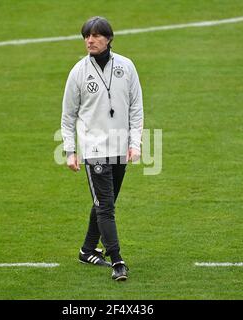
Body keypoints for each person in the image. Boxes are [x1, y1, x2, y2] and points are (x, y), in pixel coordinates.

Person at [61, 16, 143, 281]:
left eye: (95, 36)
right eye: (86, 36)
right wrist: (70, 150)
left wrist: (135, 144)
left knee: (103, 203)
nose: (90, 40)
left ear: (108, 39)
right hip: (94, 149)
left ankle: (87, 250)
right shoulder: (78, 72)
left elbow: (136, 108)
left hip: (120, 148)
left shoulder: (127, 66)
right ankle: (117, 259)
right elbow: (68, 115)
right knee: (106, 207)